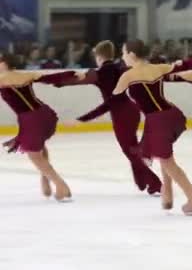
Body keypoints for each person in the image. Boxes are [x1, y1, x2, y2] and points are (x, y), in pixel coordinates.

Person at [50, 40, 162, 195]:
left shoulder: (101, 72)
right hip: (131, 110)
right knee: (131, 148)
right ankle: (142, 181)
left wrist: (57, 83)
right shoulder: (119, 67)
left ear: (98, 56)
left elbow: (83, 83)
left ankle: (155, 183)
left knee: (129, 150)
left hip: (121, 113)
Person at [112, 40, 192, 215]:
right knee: (163, 153)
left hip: (157, 120)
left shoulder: (128, 76)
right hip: (171, 114)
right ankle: (168, 195)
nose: (122, 57)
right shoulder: (158, 68)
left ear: (132, 55)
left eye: (124, 53)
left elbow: (113, 101)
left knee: (167, 161)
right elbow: (182, 70)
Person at [0, 54, 74, 201]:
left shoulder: (2, 78)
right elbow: (50, 78)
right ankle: (45, 180)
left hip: (31, 119)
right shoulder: (27, 75)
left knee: (34, 155)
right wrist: (71, 73)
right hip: (45, 114)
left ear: (4, 64)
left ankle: (61, 186)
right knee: (39, 148)